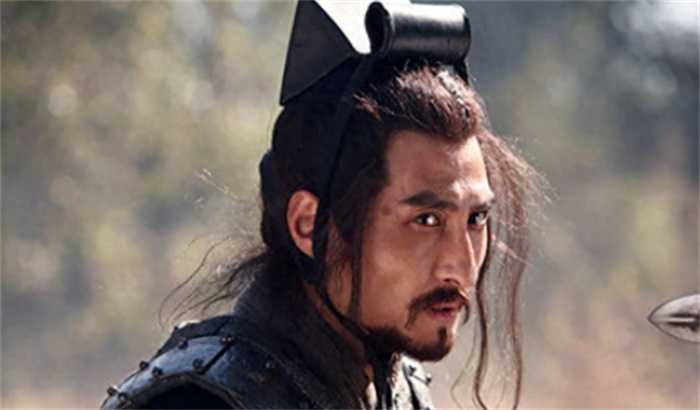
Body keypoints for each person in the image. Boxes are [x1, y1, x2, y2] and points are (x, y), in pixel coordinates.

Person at [102, 1, 541, 409]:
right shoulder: (199, 405)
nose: (460, 266)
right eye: (426, 220)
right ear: (309, 225)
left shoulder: (399, 390)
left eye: (476, 219)